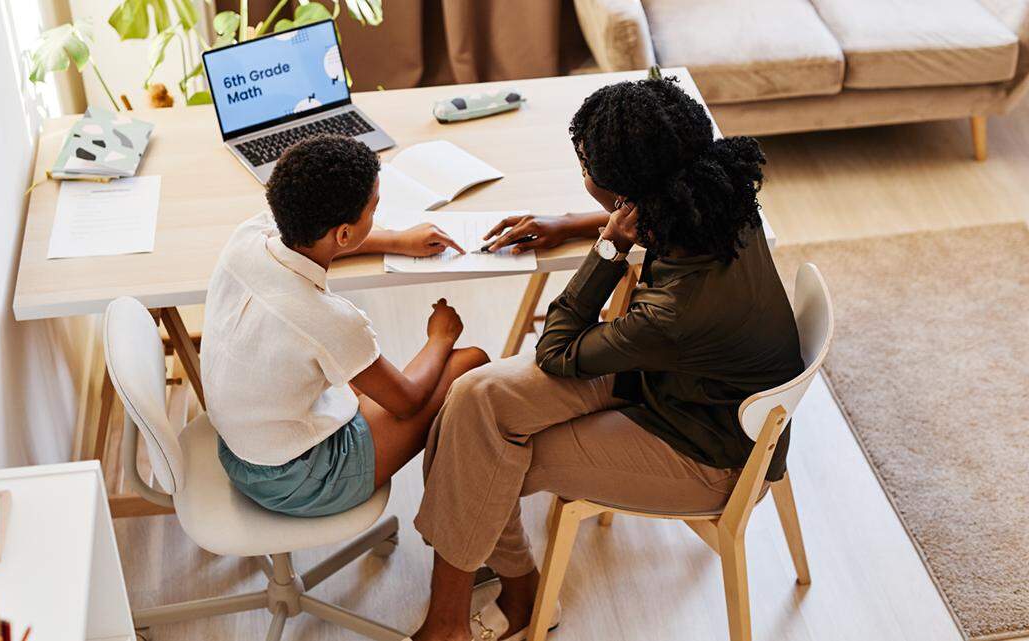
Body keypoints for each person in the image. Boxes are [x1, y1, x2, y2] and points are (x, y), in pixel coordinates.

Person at [410, 77, 805, 641]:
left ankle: (463, 612)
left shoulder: (674, 312)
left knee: (477, 447)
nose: (585, 176)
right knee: (474, 397)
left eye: (586, 169)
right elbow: (662, 222)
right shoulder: (722, 203)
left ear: (629, 199)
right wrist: (576, 223)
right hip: (675, 383)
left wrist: (608, 249)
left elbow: (556, 352)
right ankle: (504, 581)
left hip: (705, 455)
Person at [200, 134, 489, 518]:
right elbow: (407, 402)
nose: (377, 215)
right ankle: (460, 515)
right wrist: (439, 338)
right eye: (375, 209)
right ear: (345, 233)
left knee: (365, 378)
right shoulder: (328, 318)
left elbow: (327, 239)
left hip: (238, 447)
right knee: (469, 363)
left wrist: (398, 241)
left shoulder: (249, 237)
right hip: (293, 481)